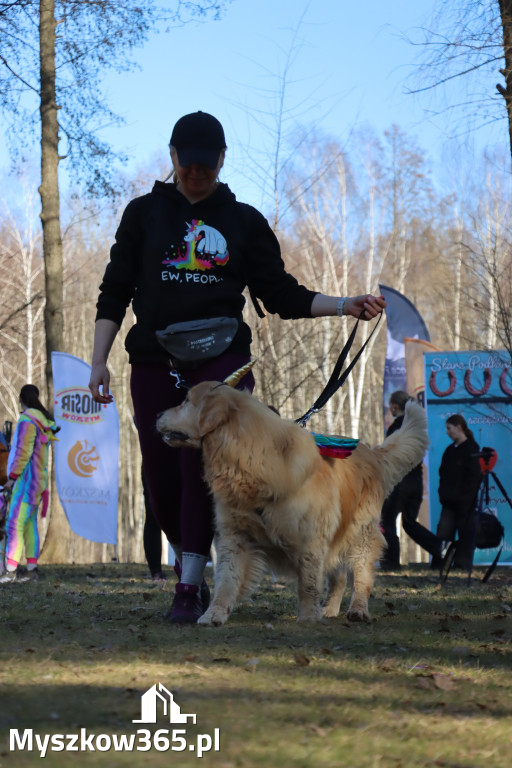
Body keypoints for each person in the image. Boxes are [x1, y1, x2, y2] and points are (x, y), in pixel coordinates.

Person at [88, 110, 386, 624]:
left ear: (222, 160)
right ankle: (187, 558)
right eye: (188, 164)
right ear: (172, 156)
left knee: (206, 472)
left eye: (207, 165)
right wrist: (98, 362)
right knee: (161, 478)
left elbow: (281, 293)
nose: (197, 173)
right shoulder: (143, 214)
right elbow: (114, 290)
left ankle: (190, 587)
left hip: (222, 361)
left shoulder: (244, 220)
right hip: (155, 360)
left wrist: (345, 305)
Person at [0, 384, 59, 583]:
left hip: (25, 483)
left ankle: (10, 571)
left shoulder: (27, 421)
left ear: (21, 399)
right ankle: (32, 570)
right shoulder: (43, 421)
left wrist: (12, 478)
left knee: (13, 524)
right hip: (38, 482)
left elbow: (23, 453)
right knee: (29, 524)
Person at [379, 391, 424, 570]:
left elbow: (390, 454)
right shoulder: (414, 427)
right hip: (416, 481)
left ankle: (390, 562)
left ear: (394, 406)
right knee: (410, 523)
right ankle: (439, 548)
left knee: (387, 520)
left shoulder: (397, 427)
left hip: (399, 482)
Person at [436, 414, 482, 570]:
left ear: (459, 427)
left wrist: (466, 497)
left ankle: (462, 566)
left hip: (465, 504)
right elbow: (442, 473)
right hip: (448, 503)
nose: (447, 432)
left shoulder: (472, 448)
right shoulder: (449, 450)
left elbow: (474, 476)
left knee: (465, 535)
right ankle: (440, 565)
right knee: (443, 536)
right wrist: (443, 493)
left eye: (449, 428)